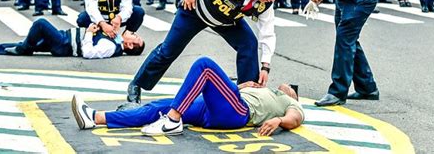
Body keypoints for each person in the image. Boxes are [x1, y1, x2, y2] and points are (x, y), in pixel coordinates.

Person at [126, 0, 288, 104]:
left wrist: (265, 66)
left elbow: (267, 33)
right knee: (168, 51)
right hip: (196, 9)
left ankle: (248, 98)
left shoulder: (266, 4)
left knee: (249, 43)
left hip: (225, 20)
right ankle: (136, 85)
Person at [73, 57, 303, 136]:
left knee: (205, 65)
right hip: (217, 107)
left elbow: (294, 119)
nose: (286, 85)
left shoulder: (289, 101)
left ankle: (172, 122)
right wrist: (240, 86)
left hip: (239, 113)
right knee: (159, 107)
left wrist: (279, 121)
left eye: (290, 87)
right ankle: (94, 117)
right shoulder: (264, 89)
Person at [0, 18, 144, 58]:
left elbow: (88, 53)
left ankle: (23, 50)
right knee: (31, 43)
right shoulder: (114, 39)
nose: (132, 33)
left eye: (135, 36)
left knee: (40, 24)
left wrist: (88, 32)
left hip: (64, 44)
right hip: (66, 38)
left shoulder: (110, 47)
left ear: (129, 45)